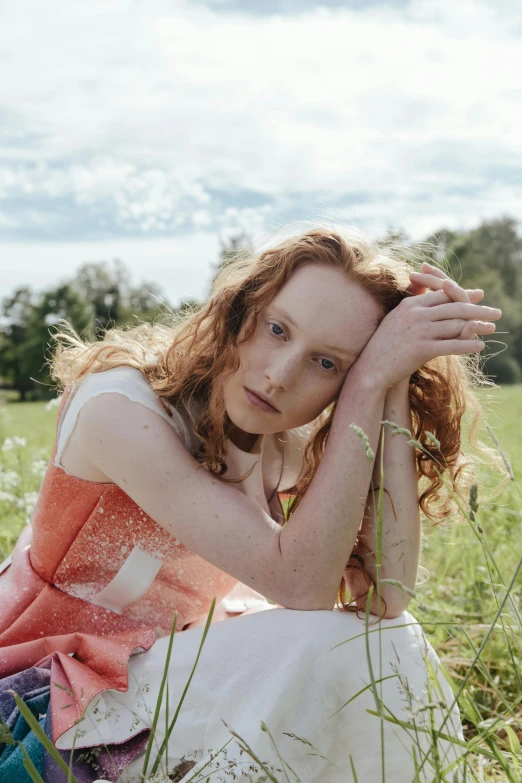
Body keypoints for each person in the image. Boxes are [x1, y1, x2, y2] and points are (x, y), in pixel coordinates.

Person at [0, 226, 505, 783]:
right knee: (337, 649)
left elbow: (386, 596)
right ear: (243, 309)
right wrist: (362, 384)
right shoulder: (119, 409)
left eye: (328, 364)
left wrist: (388, 382)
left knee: (385, 645)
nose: (280, 375)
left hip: (159, 673)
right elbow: (301, 583)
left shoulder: (286, 446)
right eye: (277, 328)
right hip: (48, 696)